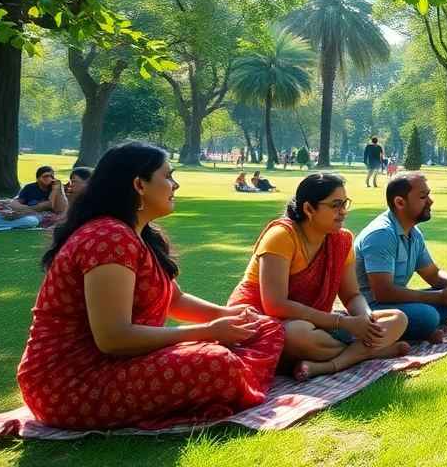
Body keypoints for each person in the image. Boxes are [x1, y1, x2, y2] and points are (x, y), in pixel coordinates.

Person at [17, 142, 284, 430]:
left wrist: (229, 315)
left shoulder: (140, 234)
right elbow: (113, 339)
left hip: (128, 361)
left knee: (267, 327)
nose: (175, 184)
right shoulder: (108, 238)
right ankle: (232, 379)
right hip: (72, 384)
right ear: (138, 185)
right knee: (218, 363)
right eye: (168, 176)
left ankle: (231, 381)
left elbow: (175, 300)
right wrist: (207, 332)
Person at [229, 173, 410, 381]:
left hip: (315, 321)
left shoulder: (342, 240)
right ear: (308, 209)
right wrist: (342, 323)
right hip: (262, 321)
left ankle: (335, 362)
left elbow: (351, 295)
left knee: (398, 318)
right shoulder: (281, 237)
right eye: (335, 205)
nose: (343, 212)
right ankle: (368, 353)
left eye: (345, 204)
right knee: (296, 334)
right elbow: (274, 305)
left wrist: (366, 319)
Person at [355, 173, 447, 344]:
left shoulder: (414, 234)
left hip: (395, 304)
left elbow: (432, 274)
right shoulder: (381, 235)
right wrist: (440, 297)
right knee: (428, 316)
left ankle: (423, 332)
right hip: (371, 309)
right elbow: (383, 293)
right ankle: (424, 330)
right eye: (423, 197)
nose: (430, 201)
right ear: (400, 202)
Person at [0, 166, 67, 229]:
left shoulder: (55, 188)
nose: (49, 179)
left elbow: (58, 208)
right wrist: (30, 209)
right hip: (26, 211)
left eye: (51, 176)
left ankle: (0, 225)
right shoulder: (29, 188)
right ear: (38, 178)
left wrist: (57, 189)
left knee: (31, 221)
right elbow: (15, 203)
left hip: (36, 216)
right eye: (45, 176)